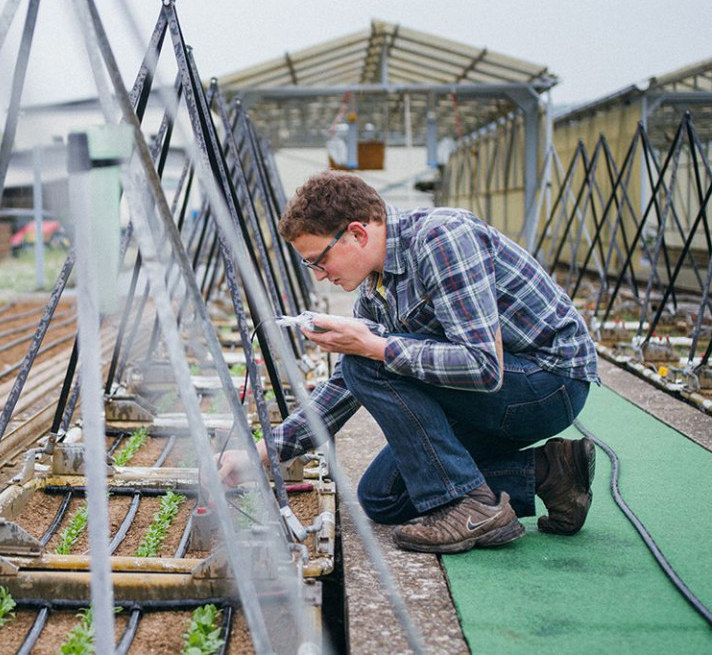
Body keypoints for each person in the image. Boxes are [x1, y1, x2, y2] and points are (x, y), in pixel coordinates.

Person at [218, 171, 600, 554]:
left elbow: (483, 366)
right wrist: (262, 453)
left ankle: (472, 506)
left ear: (357, 233)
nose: (321, 275)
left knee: (368, 361)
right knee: (384, 497)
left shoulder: (441, 238)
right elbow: (343, 388)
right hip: (499, 394)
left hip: (547, 383)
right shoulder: (374, 288)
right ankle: (553, 472)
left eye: (320, 261)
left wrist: (376, 347)